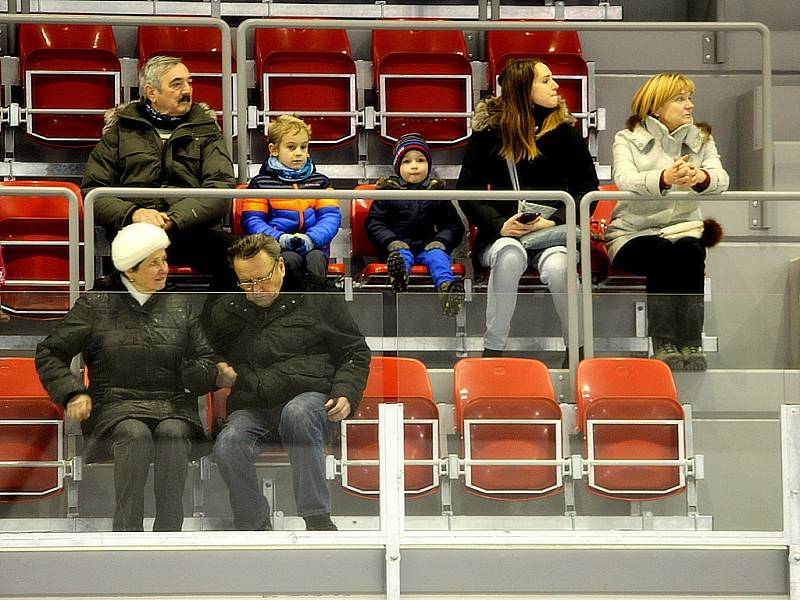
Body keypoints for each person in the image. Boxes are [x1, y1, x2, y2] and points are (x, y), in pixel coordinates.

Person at [35, 223, 236, 531]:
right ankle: (127, 531)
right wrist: (73, 393)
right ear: (129, 270)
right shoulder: (95, 304)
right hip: (114, 408)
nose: (164, 269)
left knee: (172, 434)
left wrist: (206, 373)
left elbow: (205, 360)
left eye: (164, 260)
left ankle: (169, 531)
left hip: (173, 406)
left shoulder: (180, 305)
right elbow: (50, 353)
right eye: (154, 262)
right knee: (135, 433)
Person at [207, 234, 370, 531]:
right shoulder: (227, 309)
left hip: (309, 399)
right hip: (254, 404)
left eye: (262, 278)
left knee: (297, 413)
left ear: (281, 266)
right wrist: (216, 366)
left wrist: (346, 392)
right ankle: (254, 523)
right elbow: (208, 352)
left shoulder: (318, 297)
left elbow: (354, 351)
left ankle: (316, 517)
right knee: (228, 444)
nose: (255, 290)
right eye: (246, 282)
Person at [456, 58, 598, 364]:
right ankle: (493, 350)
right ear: (522, 88)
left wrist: (553, 220)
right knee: (508, 255)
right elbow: (469, 191)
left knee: (561, 269)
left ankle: (577, 351)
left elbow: (588, 189)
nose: (556, 86)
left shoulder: (566, 131)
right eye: (545, 81)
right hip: (502, 234)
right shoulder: (490, 132)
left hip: (553, 233)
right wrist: (500, 225)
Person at [605, 72, 729, 371]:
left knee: (690, 250)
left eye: (690, 98)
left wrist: (699, 177)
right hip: (631, 234)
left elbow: (721, 178)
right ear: (657, 107)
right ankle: (663, 343)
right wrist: (664, 178)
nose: (690, 106)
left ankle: (691, 343)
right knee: (662, 252)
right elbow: (623, 179)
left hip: (683, 230)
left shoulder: (702, 139)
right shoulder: (627, 139)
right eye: (680, 99)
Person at [81, 55, 237, 290]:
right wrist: (134, 214)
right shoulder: (121, 130)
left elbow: (221, 189)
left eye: (189, 82)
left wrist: (174, 218)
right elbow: (94, 191)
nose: (187, 90)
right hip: (133, 230)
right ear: (151, 92)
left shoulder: (206, 130)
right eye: (177, 84)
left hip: (190, 231)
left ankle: (215, 322)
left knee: (243, 256)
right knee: (135, 261)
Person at [364, 133, 466, 317]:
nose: (414, 166)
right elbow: (374, 223)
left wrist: (441, 242)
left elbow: (453, 225)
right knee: (401, 256)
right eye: (407, 161)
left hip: (427, 245)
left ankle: (446, 290)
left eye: (420, 160)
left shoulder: (437, 193)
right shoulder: (388, 193)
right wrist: (391, 241)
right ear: (397, 167)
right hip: (398, 244)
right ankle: (399, 276)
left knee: (438, 257)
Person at [242, 115, 341, 277]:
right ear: (274, 150)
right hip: (276, 248)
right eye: (291, 147)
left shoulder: (320, 182)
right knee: (288, 260)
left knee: (316, 259)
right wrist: (280, 239)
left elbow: (330, 216)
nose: (299, 153)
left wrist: (312, 239)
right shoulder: (260, 183)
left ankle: (317, 302)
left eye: (303, 147)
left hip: (314, 246)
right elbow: (252, 221)